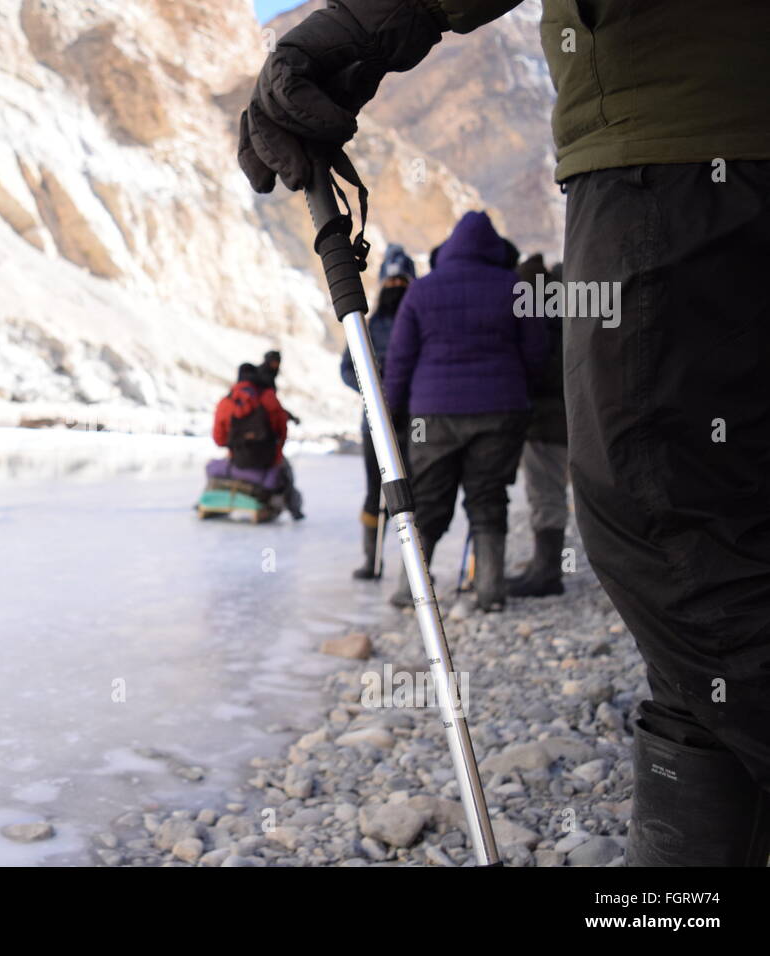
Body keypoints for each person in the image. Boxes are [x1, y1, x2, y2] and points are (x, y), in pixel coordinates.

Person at [238, 0, 770, 866]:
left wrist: (364, 26)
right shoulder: (503, 283)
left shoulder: (428, 292)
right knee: (716, 549)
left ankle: (416, 584)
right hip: (702, 156)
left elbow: (398, 355)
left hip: (671, 144)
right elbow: (538, 344)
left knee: (670, 540)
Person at [376, 211, 546, 611]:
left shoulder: (422, 291)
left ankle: (409, 588)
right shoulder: (516, 287)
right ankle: (490, 591)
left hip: (432, 413)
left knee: (429, 500)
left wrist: (392, 410)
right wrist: (523, 392)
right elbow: (536, 354)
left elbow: (400, 359)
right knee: (488, 498)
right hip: (500, 410)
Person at [341, 243, 415, 578]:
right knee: (376, 493)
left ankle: (412, 570)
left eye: (402, 284)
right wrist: (371, 385)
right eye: (392, 283)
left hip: (414, 420)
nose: (396, 289)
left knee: (412, 492)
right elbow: (346, 368)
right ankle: (371, 562)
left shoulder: (420, 318)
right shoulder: (366, 326)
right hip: (376, 422)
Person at [507, 255, 569, 597]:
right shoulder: (570, 315)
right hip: (563, 420)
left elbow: (542, 372)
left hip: (546, 423)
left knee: (546, 495)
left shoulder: (543, 322)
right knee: (547, 494)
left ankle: (547, 574)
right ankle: (543, 568)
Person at [212, 363, 303, 518]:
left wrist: (237, 446)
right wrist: (276, 455)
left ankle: (212, 503)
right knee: (286, 474)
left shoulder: (227, 402)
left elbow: (219, 439)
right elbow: (281, 433)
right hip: (267, 463)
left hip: (237, 462)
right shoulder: (269, 398)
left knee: (211, 467)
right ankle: (294, 509)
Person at [256, 351, 305, 518]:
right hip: (265, 442)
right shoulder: (265, 381)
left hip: (259, 441)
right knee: (286, 474)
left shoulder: (258, 380)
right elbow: (273, 408)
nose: (276, 365)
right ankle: (294, 510)